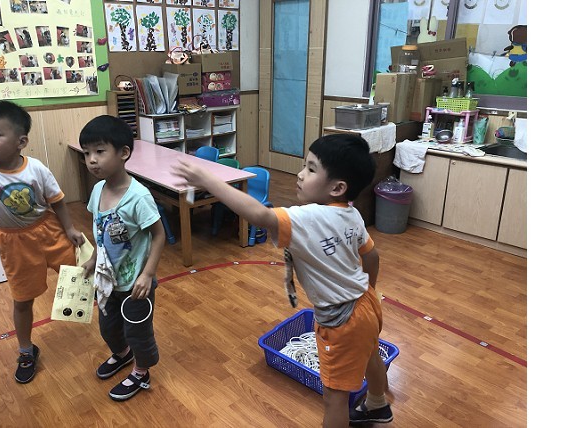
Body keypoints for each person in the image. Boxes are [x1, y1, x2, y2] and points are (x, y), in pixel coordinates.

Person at [172, 133, 392, 427]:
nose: (300, 175)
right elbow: (372, 256)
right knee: (370, 353)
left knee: (335, 397)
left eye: (311, 169)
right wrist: (370, 290)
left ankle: (374, 407)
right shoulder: (351, 214)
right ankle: (377, 404)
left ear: (338, 187)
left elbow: (259, 215)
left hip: (342, 321)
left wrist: (207, 179)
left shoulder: (308, 218)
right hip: (366, 304)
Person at [0, 100, 85, 384]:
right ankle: (26, 350)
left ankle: (96, 303)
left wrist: (70, 228)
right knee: (23, 300)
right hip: (15, 243)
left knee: (76, 273)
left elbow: (57, 200)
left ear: (21, 142)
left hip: (49, 230)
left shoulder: (36, 169)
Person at [78, 115, 166, 402]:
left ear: (123, 153)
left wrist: (147, 274)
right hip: (107, 280)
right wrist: (93, 259)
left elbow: (159, 235)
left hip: (135, 284)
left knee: (138, 332)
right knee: (109, 328)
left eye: (100, 151)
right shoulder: (97, 190)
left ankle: (141, 371)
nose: (92, 160)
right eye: (87, 153)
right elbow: (100, 231)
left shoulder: (138, 197)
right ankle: (122, 354)